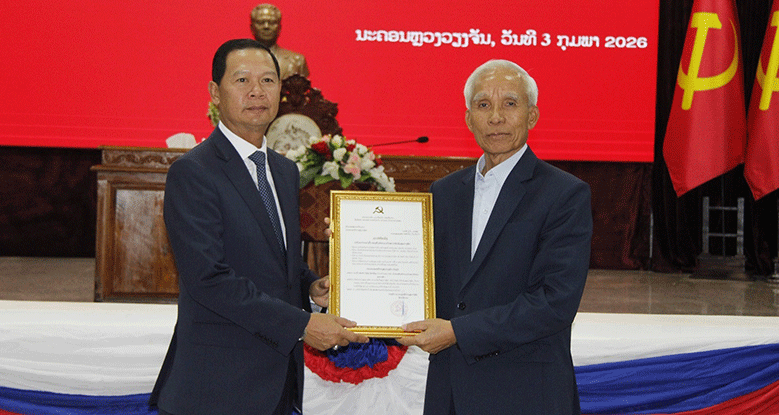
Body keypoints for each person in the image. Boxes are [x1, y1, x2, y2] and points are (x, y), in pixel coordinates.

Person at [149, 38, 367, 415]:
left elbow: (276, 259)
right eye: (242, 80)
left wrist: (310, 286)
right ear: (215, 92)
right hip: (215, 388)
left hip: (276, 384)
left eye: (268, 80)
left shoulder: (283, 170)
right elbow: (208, 279)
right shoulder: (193, 172)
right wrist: (302, 325)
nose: (256, 91)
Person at [397, 59, 593, 414]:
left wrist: (458, 332)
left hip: (525, 392)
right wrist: (353, 254)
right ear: (468, 118)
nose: (496, 117)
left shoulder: (564, 194)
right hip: (450, 391)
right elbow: (420, 278)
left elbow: (555, 302)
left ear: (532, 116)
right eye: (483, 104)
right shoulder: (444, 193)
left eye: (510, 104)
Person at [250, 3, 310, 80]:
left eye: (272, 22)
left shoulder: (297, 61)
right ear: (252, 28)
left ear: (279, 28)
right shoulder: (238, 60)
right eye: (261, 22)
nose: (266, 26)